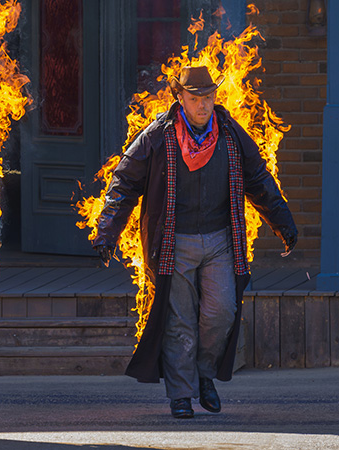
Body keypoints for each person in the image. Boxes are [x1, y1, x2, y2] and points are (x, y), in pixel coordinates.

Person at [93, 66, 297, 419]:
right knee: (179, 320)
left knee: (222, 312)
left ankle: (205, 375)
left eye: (208, 98)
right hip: (175, 241)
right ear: (180, 99)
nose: (203, 105)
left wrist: (282, 221)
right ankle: (181, 395)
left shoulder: (231, 134)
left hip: (220, 239)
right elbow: (124, 183)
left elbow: (259, 178)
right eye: (195, 99)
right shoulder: (158, 135)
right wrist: (108, 232)